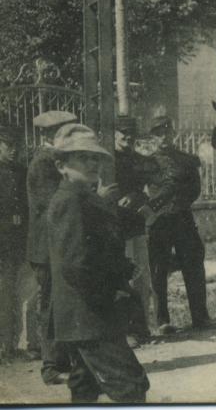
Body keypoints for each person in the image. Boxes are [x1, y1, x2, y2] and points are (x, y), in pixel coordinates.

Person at [46, 123, 149, 402]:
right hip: (92, 316)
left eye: (95, 157)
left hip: (85, 316)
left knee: (84, 388)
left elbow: (95, 250)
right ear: (61, 165)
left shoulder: (84, 198)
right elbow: (75, 264)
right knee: (131, 387)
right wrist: (110, 292)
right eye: (82, 158)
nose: (92, 163)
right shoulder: (70, 201)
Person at [145, 115, 212, 334]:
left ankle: (200, 317)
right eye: (158, 134)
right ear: (152, 137)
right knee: (158, 270)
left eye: (167, 132)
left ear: (173, 134)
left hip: (182, 218)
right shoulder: (148, 163)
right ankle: (162, 321)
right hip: (159, 222)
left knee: (193, 265)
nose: (163, 138)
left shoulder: (186, 159)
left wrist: (180, 203)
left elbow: (195, 189)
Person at [26, 110, 75, 384]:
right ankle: (50, 367)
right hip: (45, 248)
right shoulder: (43, 163)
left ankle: (61, 361)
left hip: (54, 245)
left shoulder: (55, 160)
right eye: (60, 133)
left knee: (58, 303)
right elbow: (53, 205)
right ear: (47, 135)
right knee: (49, 306)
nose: (65, 138)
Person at [113, 116, 156, 345]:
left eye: (131, 135)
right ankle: (126, 330)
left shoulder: (139, 161)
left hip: (136, 225)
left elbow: (147, 190)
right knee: (123, 280)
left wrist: (136, 196)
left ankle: (142, 327)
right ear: (114, 135)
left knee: (141, 279)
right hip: (115, 228)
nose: (127, 139)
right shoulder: (106, 161)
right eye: (123, 135)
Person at [0, 126, 28, 362]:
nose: (13, 150)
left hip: (17, 243)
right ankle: (4, 346)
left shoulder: (20, 171)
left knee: (14, 295)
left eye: (15, 146)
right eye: (8, 146)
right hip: (1, 243)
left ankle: (11, 344)